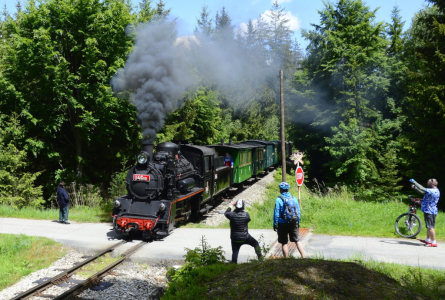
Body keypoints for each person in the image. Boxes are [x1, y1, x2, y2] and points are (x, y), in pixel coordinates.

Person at [224, 199, 262, 263]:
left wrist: (231, 206)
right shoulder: (246, 215)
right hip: (245, 237)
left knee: (235, 252)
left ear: (235, 206)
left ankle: (234, 264)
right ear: (243, 206)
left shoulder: (231, 215)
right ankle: (260, 259)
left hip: (235, 238)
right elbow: (248, 220)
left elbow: (226, 213)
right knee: (256, 244)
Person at [273, 182, 305, 258]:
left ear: (280, 189)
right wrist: (298, 222)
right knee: (297, 240)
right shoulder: (293, 198)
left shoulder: (278, 200)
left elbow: (276, 214)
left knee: (284, 242)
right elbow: (298, 212)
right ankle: (304, 257)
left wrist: (275, 224)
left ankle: (286, 259)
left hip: (282, 223)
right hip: (293, 222)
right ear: (288, 189)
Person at [410, 178, 440, 247]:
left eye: (428, 182)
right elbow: (423, 192)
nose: (427, 183)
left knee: (430, 227)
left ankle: (433, 242)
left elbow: (422, 189)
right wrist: (415, 188)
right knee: (428, 226)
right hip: (429, 210)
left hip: (430, 211)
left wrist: (414, 182)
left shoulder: (434, 191)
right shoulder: (433, 190)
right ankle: (427, 240)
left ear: (432, 184)